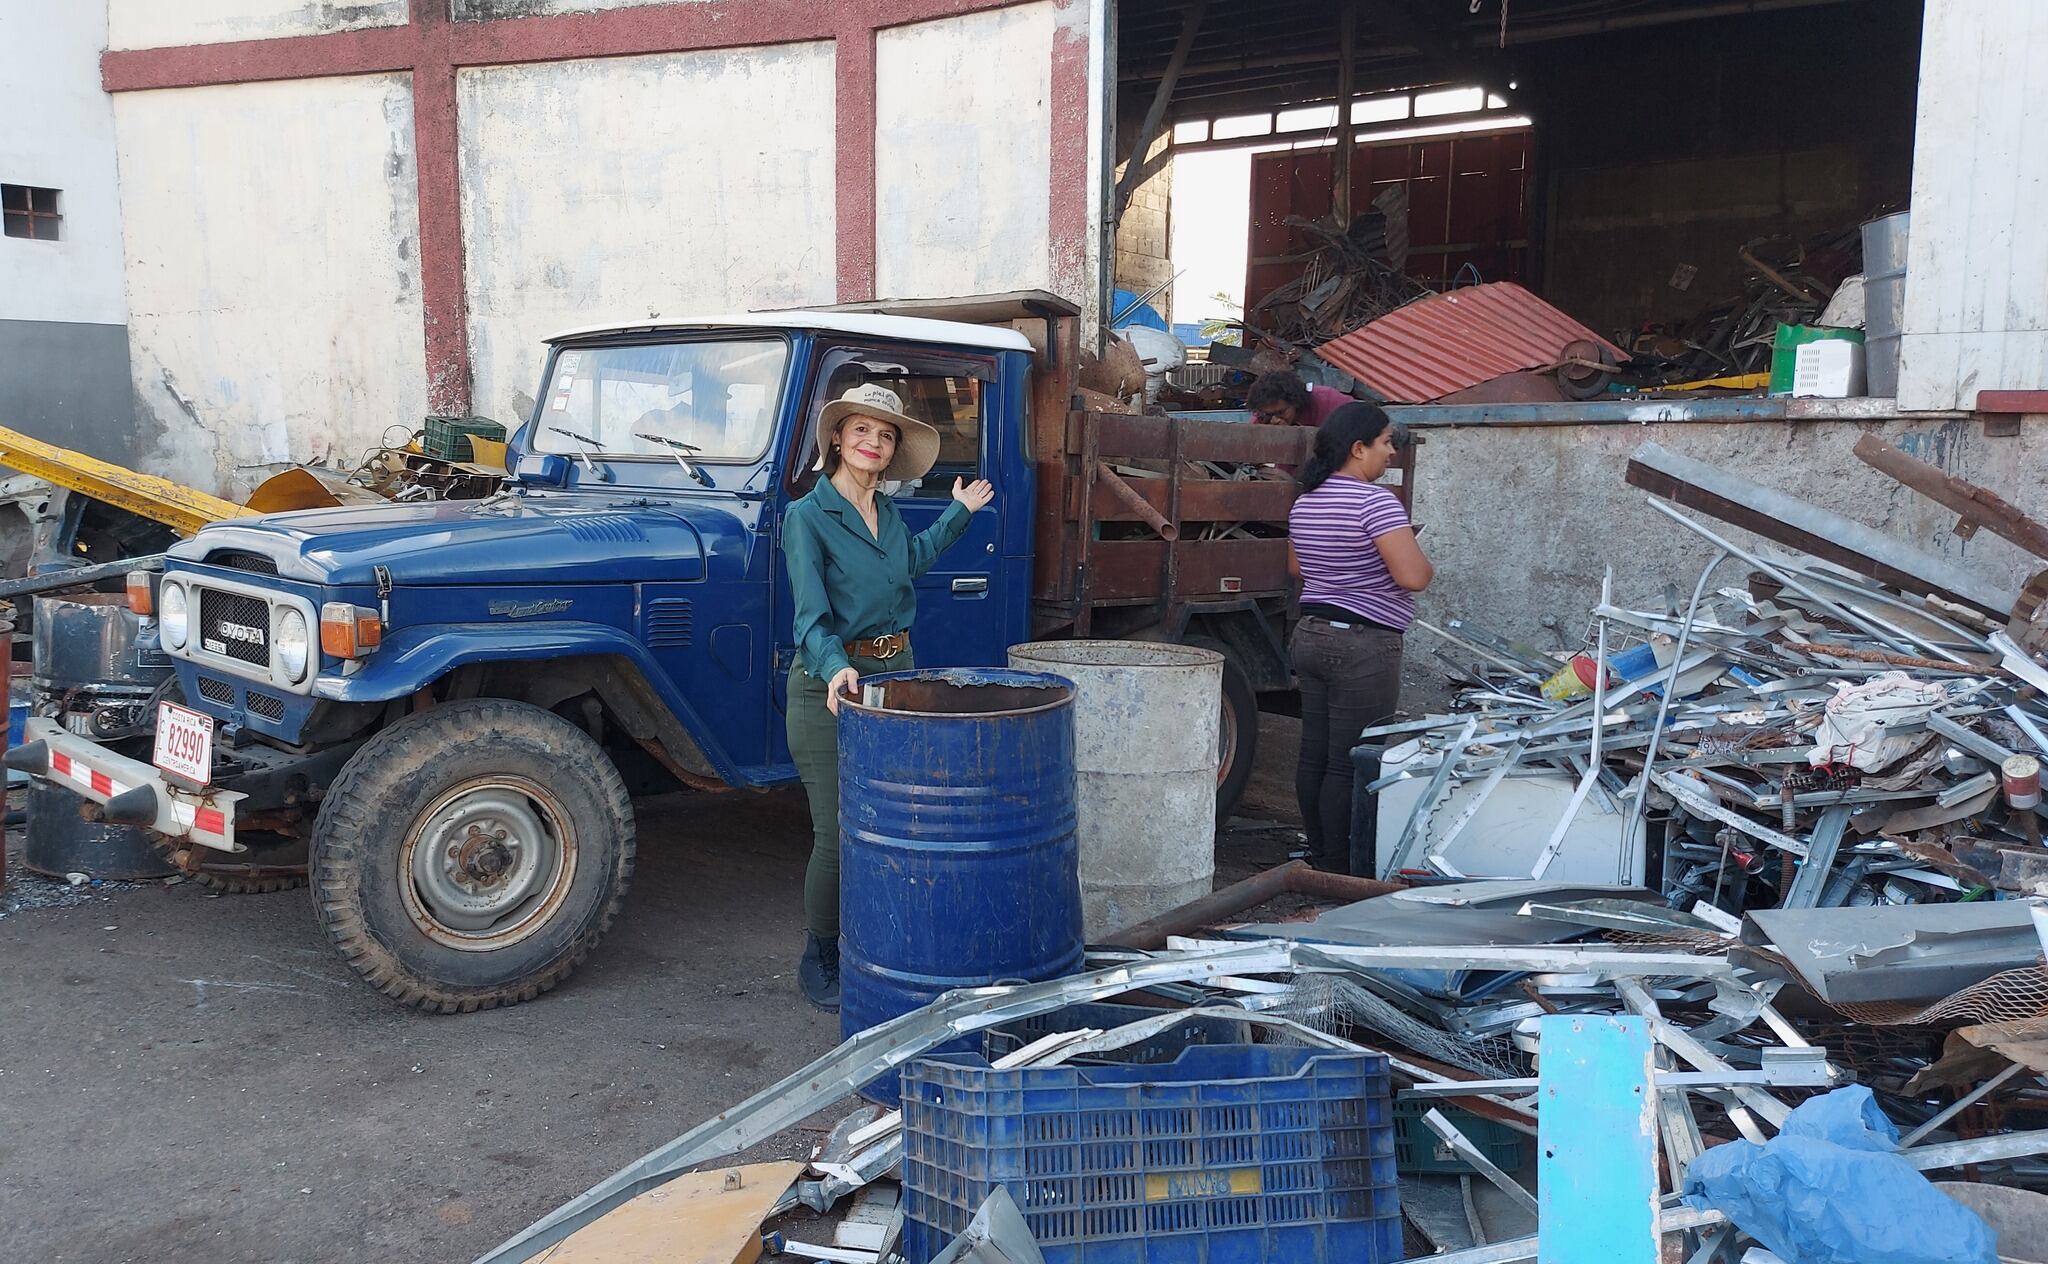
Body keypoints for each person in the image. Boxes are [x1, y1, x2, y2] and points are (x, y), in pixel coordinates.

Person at [782, 383, 995, 1011]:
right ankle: (820, 951)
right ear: (837, 439)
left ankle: (876, 938)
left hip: (895, 680)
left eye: (885, 434)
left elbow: (911, 562)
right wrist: (834, 670)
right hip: (831, 689)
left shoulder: (889, 513)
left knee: (893, 822)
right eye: (861, 430)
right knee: (838, 831)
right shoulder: (807, 517)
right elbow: (810, 619)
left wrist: (958, 513)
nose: (872, 442)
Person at [1286, 402, 1432, 875]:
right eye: (1386, 442)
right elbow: (1413, 577)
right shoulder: (1376, 502)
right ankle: (1342, 869)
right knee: (1351, 760)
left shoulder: (1306, 500)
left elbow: (1297, 567)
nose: (1391, 452)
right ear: (1358, 448)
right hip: (1362, 647)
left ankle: (1319, 854)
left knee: (1315, 755)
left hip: (1311, 634)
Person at [1247, 370, 1350, 428]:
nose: (1275, 420)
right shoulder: (1262, 416)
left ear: (1295, 403)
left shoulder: (1328, 401)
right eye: (1268, 415)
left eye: (1281, 413)